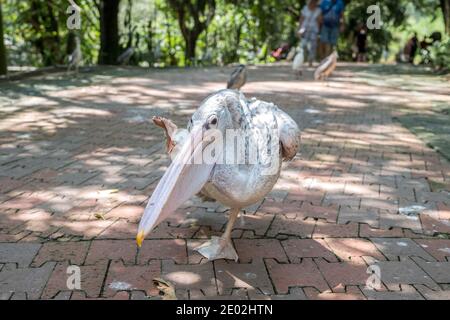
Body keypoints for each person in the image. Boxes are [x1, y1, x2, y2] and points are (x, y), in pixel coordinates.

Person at [298, 0, 322, 67]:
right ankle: (302, 59)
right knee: (303, 45)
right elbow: (301, 19)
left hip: (314, 30)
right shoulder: (305, 8)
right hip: (305, 29)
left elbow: (320, 21)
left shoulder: (318, 10)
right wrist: (299, 29)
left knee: (313, 46)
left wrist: (319, 32)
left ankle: (310, 60)